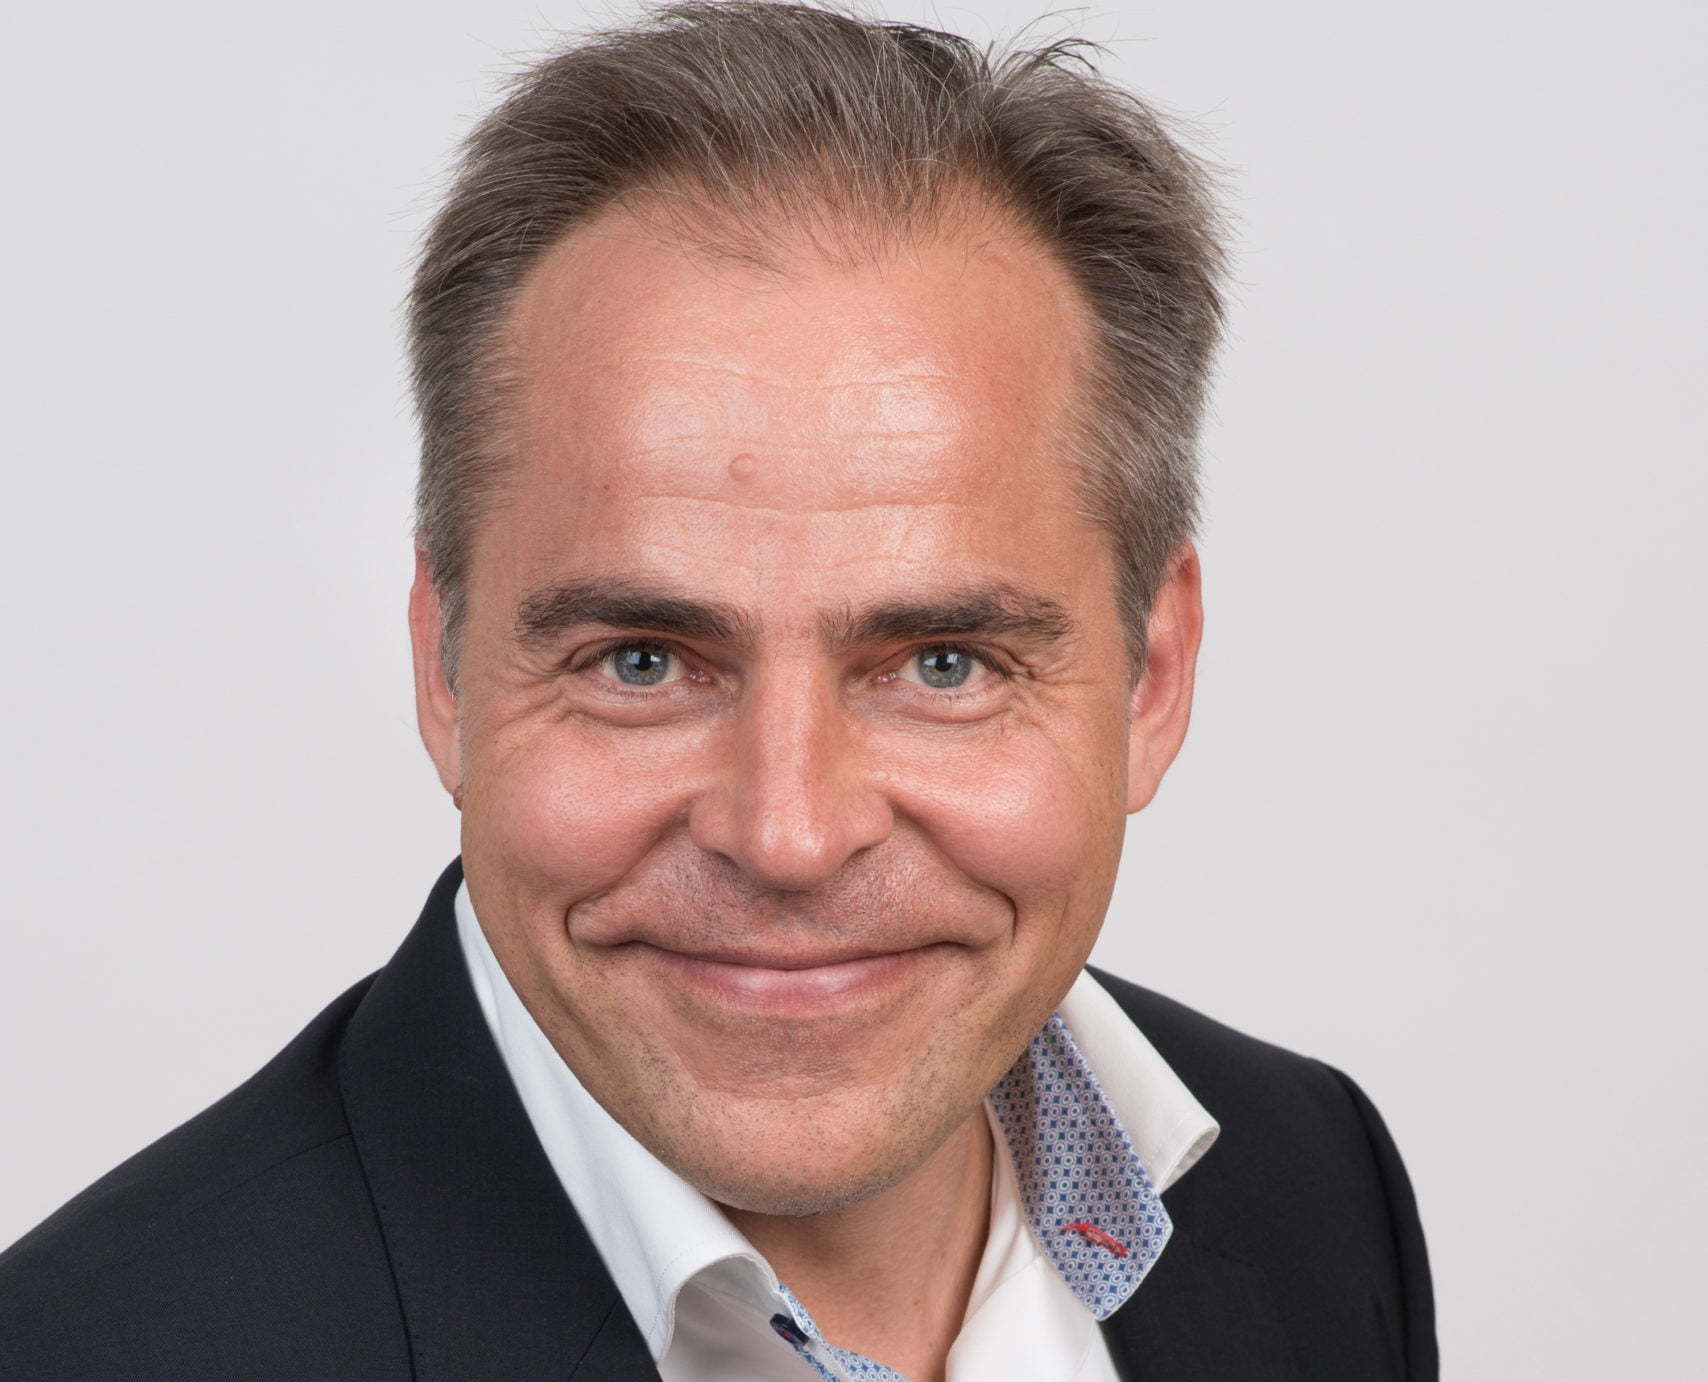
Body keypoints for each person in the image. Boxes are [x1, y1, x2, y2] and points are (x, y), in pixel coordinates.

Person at [0, 3, 1436, 1378]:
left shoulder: (1310, 1183)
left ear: (1150, 679)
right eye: (642, 662)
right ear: (446, 668)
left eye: (943, 665)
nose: (788, 834)